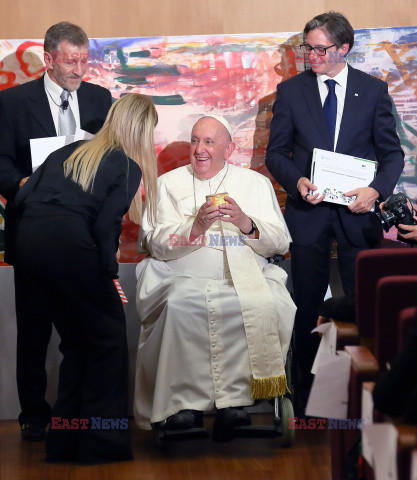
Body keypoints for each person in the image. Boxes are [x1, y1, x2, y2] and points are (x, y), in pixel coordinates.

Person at [265, 11, 405, 409]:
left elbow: (391, 155)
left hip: (358, 217)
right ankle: (309, 402)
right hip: (308, 215)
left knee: (363, 304)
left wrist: (375, 190)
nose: (312, 55)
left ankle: (364, 401)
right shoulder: (291, 91)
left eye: (320, 48)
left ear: (344, 49)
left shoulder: (374, 90)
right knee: (307, 305)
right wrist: (297, 182)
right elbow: (277, 153)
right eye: (308, 48)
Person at [12, 93, 158, 464]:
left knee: (77, 343)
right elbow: (105, 225)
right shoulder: (127, 165)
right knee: (107, 342)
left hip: (28, 248)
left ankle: (63, 444)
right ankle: (100, 446)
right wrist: (109, 275)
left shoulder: (70, 152)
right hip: (71, 248)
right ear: (140, 130)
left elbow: (22, 197)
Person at [134, 115, 296, 442]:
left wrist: (246, 223)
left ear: (229, 148)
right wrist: (193, 228)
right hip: (181, 277)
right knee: (181, 304)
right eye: (195, 140)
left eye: (209, 142)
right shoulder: (167, 184)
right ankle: (181, 408)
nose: (199, 149)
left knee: (262, 301)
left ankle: (235, 406)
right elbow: (152, 243)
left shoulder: (255, 183)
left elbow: (280, 242)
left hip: (246, 277)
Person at [0, 21, 112, 440]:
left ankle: (77, 412)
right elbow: (0, 163)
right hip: (33, 234)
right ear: (48, 59)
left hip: (85, 235)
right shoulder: (11, 104)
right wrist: (23, 186)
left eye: (84, 60)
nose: (79, 69)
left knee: (82, 329)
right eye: (70, 61)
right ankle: (33, 415)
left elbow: (112, 156)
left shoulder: (101, 99)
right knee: (34, 329)